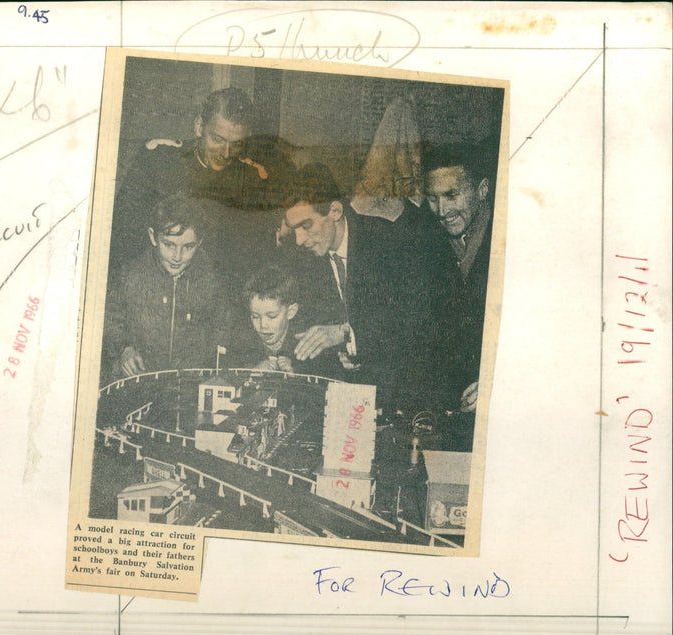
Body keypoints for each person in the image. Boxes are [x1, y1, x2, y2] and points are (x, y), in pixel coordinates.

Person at [279, 163, 443, 409]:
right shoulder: (304, 262)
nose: (300, 239)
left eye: (306, 225)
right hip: (343, 399)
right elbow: (310, 332)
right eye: (294, 230)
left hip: (401, 395)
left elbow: (418, 326)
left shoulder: (392, 243)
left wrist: (347, 334)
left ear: (334, 210)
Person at [109, 86, 283, 285]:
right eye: (217, 139)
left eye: (236, 144)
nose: (225, 154)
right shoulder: (159, 161)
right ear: (199, 127)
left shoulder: (253, 180)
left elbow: (255, 261)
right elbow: (121, 239)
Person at [101, 192, 227, 382]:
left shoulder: (212, 279)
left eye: (188, 247)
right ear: (153, 237)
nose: (177, 256)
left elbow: (224, 329)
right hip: (139, 382)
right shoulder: (130, 275)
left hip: (190, 386)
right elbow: (110, 319)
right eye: (169, 245)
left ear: (199, 243)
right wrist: (124, 349)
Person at [422, 142, 496, 415]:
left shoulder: (513, 240)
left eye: (452, 195)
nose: (441, 211)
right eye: (432, 198)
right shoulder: (427, 244)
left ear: (482, 190)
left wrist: (498, 382)